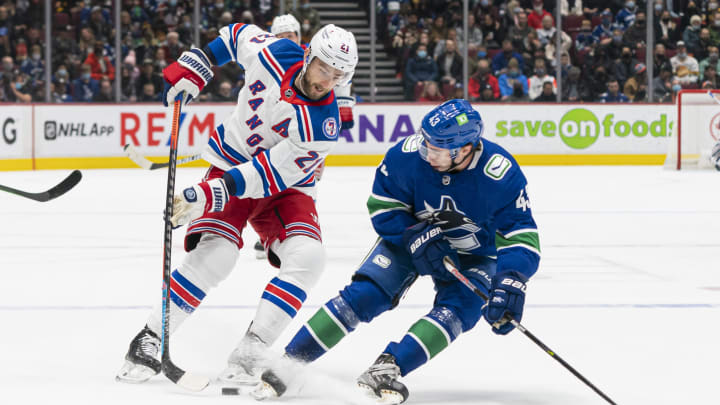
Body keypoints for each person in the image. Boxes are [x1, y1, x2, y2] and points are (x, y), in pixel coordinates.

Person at [116, 22, 358, 386]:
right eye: (325, 68)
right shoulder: (273, 52)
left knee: (308, 258)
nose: (328, 80)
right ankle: (150, 337)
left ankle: (252, 349)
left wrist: (212, 193)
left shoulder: (322, 123)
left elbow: (271, 173)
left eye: (339, 75)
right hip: (231, 159)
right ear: (309, 56)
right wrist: (199, 62)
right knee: (217, 256)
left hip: (286, 187)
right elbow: (235, 35)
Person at [254, 99, 541, 403]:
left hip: (476, 255)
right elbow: (382, 206)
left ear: (465, 149)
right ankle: (291, 360)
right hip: (410, 238)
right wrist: (412, 235)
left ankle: (389, 368)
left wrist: (511, 279)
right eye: (427, 143)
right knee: (366, 294)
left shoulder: (501, 174)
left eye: (438, 150)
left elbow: (519, 232)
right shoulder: (407, 156)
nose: (427, 153)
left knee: (459, 310)